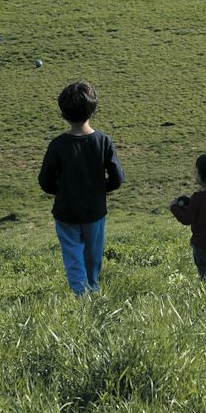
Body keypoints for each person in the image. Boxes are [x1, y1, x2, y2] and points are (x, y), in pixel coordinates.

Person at [37, 81, 123, 296]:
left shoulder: (57, 144)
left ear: (63, 113)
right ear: (93, 110)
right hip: (95, 210)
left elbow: (45, 181)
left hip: (66, 211)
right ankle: (92, 287)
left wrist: (63, 190)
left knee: (72, 254)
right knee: (93, 255)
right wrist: (98, 189)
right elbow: (117, 178)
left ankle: (80, 292)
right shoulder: (103, 141)